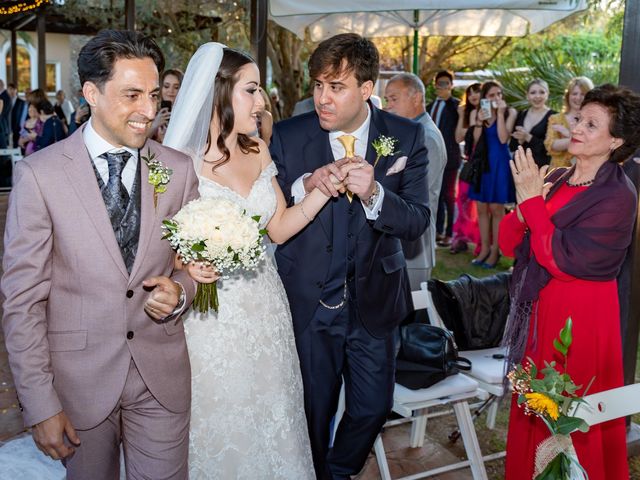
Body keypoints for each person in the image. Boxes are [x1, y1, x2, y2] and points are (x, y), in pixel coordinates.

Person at [1, 30, 201, 479]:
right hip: (78, 382)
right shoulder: (39, 175)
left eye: (153, 95)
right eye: (132, 95)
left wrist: (181, 291)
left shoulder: (178, 169)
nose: (149, 110)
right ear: (91, 92)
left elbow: (192, 267)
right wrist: (39, 403)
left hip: (160, 377)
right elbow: (22, 301)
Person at [163, 43, 360, 479]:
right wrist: (187, 264)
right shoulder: (178, 163)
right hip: (210, 315)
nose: (261, 101)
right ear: (221, 93)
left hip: (266, 308)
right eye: (251, 90)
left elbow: (278, 228)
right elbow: (161, 247)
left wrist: (321, 192)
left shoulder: (258, 151)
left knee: (274, 415)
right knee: (218, 415)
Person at [270, 33, 429, 479]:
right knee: (312, 413)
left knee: (373, 407)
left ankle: (337, 472)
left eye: (335, 87)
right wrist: (307, 184)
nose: (322, 98)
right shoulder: (287, 134)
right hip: (308, 301)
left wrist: (377, 193)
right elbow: (267, 206)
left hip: (374, 302)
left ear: (366, 88)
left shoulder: (406, 137)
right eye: (318, 85)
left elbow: (417, 220)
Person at [500, 84, 640, 480]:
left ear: (616, 141)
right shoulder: (558, 178)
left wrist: (531, 204)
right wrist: (526, 205)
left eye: (592, 124)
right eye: (580, 118)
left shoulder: (618, 196)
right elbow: (509, 241)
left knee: (572, 412)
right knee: (537, 406)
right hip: (543, 314)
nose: (577, 127)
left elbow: (563, 259)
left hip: (581, 321)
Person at [384, 72, 446, 286]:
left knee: (409, 312)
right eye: (386, 100)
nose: (388, 106)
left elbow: (412, 194)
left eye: (394, 99)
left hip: (413, 248)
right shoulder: (412, 133)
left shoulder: (426, 137)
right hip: (398, 244)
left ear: (417, 98)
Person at [468, 80, 517, 268]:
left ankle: (496, 251)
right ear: (484, 98)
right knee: (481, 208)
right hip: (482, 164)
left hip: (499, 163)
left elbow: (503, 138)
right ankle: (485, 249)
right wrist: (480, 121)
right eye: (491, 95)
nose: (496, 98)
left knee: (497, 210)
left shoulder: (510, 112)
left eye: (499, 94)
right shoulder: (478, 113)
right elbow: (476, 141)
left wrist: (501, 114)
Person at [426, 70, 460, 248]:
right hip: (432, 156)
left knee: (448, 195)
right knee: (435, 194)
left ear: (451, 85)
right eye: (439, 83)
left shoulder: (456, 106)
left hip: (451, 156)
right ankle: (437, 230)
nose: (442, 87)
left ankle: (449, 233)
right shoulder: (430, 106)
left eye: (446, 83)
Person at [452, 82, 482, 255]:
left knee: (479, 206)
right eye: (469, 92)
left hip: (484, 165)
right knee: (462, 200)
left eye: (477, 91)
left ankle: (480, 242)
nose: (473, 95)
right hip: (468, 164)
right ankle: (461, 238)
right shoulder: (466, 113)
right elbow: (458, 138)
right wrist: (462, 116)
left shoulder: (489, 114)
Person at [544, 76, 594, 168]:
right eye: (574, 94)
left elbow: (593, 145)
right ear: (568, 96)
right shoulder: (555, 118)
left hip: (586, 171)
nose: (578, 98)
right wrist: (575, 138)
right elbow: (551, 145)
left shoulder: (594, 120)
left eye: (582, 94)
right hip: (558, 172)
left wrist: (568, 134)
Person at [510, 79, 555, 167]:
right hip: (519, 167)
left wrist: (528, 137)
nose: (537, 96)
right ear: (527, 95)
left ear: (547, 94)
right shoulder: (521, 114)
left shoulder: (554, 116)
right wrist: (519, 140)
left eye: (542, 92)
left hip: (541, 169)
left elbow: (550, 148)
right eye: (533, 92)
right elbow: (512, 146)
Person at [149, 69, 183, 142]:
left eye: (176, 87)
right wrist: (154, 126)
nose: (171, 91)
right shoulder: (150, 111)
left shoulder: (185, 115)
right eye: (166, 86)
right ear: (161, 88)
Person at [8, 82, 26, 149]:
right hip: (9, 127)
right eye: (9, 89)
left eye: (12, 89)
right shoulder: (6, 101)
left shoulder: (22, 102)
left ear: (16, 90)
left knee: (18, 147)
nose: (11, 91)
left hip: (18, 129)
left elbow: (23, 116)